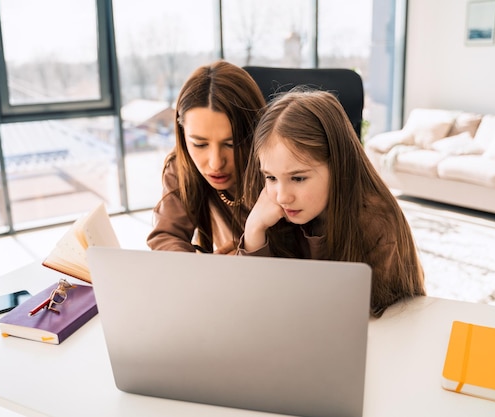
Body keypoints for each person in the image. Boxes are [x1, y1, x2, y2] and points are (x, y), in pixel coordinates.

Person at [240, 89, 425, 317]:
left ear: (338, 167)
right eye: (271, 178)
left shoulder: (376, 221)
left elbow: (372, 316)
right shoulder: (276, 214)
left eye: (298, 178)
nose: (282, 196)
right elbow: (253, 300)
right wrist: (253, 231)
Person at [147, 60, 266, 253]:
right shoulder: (181, 166)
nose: (216, 163)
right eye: (200, 144)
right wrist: (197, 266)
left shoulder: (281, 167)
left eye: (231, 144)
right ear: (182, 134)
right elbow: (166, 236)